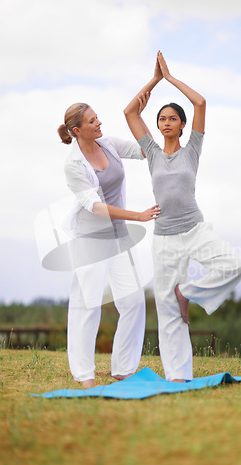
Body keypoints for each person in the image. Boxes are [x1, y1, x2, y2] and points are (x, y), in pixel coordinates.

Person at [124, 51, 241, 382]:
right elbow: (129, 112)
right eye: (162, 119)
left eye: (172, 118)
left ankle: (189, 292)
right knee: (166, 311)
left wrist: (171, 78)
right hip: (164, 237)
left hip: (194, 228)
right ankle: (178, 376)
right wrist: (154, 80)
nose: (166, 122)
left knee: (235, 266)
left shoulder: (192, 148)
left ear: (181, 124)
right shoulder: (150, 151)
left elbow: (201, 103)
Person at [57, 103, 161, 388]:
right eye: (92, 121)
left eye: (97, 117)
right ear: (78, 131)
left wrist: (136, 115)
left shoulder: (109, 145)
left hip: (119, 237)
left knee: (133, 301)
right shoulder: (73, 164)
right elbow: (96, 207)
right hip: (91, 240)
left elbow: (144, 150)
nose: (99, 123)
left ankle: (123, 368)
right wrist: (137, 216)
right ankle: (83, 374)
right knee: (87, 305)